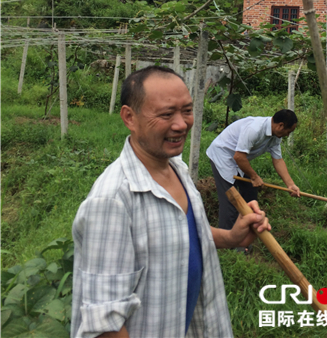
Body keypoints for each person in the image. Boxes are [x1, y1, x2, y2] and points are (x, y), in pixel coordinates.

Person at [71, 66, 270, 338]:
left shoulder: (177, 168)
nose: (181, 124)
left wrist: (231, 237)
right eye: (166, 114)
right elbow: (105, 324)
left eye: (187, 111)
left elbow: (178, 233)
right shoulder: (113, 201)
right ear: (129, 117)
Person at [206, 110, 300, 231]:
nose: (288, 135)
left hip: (238, 160)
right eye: (289, 131)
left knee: (250, 191)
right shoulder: (254, 129)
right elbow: (239, 156)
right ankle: (228, 241)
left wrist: (290, 185)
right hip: (222, 156)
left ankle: (247, 230)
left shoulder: (275, 136)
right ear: (280, 125)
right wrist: (254, 176)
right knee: (230, 199)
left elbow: (278, 160)